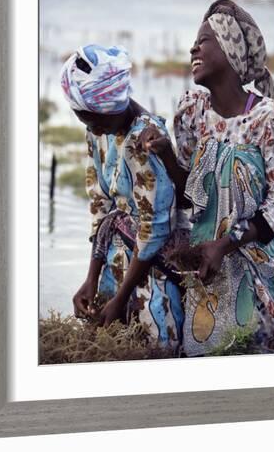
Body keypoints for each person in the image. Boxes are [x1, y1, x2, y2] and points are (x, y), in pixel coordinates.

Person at [141, 0, 274, 356]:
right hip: (206, 267)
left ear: (230, 50)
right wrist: (168, 156)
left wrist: (226, 244)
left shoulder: (269, 120)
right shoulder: (193, 113)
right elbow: (191, 195)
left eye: (204, 40)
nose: (193, 47)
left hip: (255, 262)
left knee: (254, 351)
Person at [60, 44, 189, 353]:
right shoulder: (99, 129)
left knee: (153, 346)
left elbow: (156, 226)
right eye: (83, 120)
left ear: (107, 110)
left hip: (151, 265)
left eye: (89, 119)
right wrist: (92, 278)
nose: (88, 127)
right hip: (116, 255)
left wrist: (120, 298)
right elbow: (100, 203)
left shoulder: (145, 139)